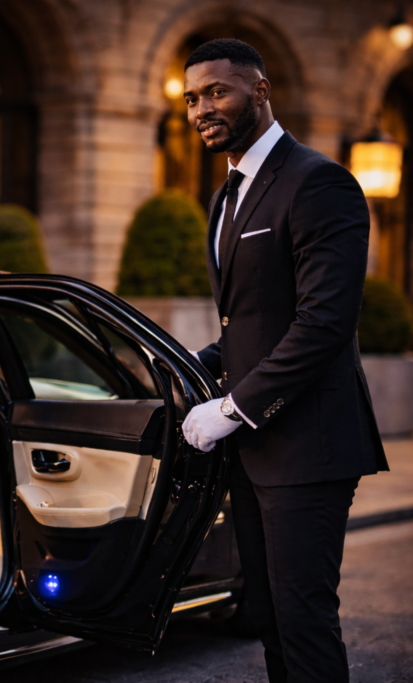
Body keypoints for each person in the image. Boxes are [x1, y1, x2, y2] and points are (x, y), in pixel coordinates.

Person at [179, 39, 389, 682]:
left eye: (218, 91)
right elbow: (249, 321)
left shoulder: (319, 181)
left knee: (303, 621)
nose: (201, 109)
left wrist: (233, 408)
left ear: (260, 90)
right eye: (191, 98)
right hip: (252, 450)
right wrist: (192, 365)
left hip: (309, 446)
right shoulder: (226, 196)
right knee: (265, 616)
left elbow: (324, 324)